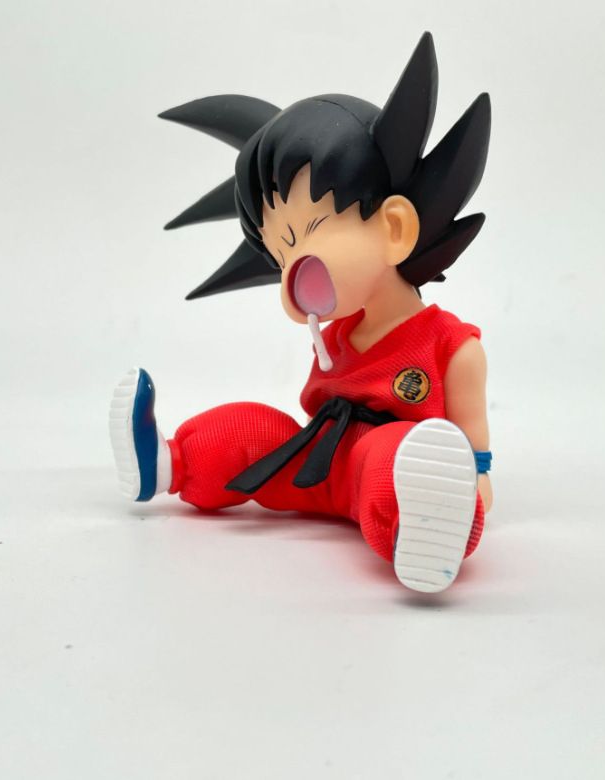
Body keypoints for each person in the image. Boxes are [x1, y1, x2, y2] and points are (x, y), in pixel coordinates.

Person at [110, 32, 494, 593]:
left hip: (385, 467)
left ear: (393, 228)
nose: (293, 269)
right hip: (318, 462)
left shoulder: (452, 347)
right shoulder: (335, 338)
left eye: (309, 232)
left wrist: (477, 482)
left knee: (390, 461)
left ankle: (428, 529)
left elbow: (475, 445)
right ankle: (167, 464)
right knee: (253, 432)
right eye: (281, 252)